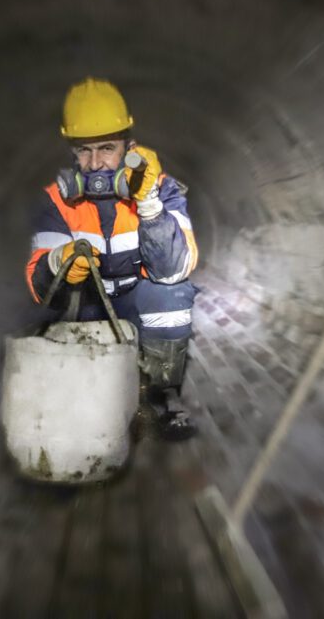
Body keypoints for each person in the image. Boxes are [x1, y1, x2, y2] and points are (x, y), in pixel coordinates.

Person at [25, 77, 199, 440]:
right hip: (88, 303)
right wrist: (56, 264)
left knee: (170, 295)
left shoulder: (162, 188)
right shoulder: (57, 200)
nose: (96, 164)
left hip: (137, 299)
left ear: (129, 148)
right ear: (72, 154)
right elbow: (42, 289)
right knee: (53, 326)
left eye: (107, 148)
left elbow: (173, 270)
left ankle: (163, 393)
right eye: (84, 151)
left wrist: (149, 203)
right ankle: (83, 398)